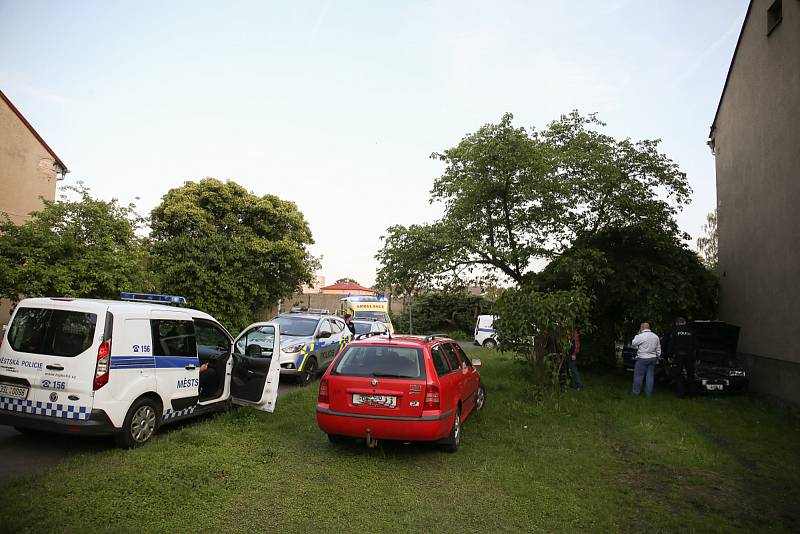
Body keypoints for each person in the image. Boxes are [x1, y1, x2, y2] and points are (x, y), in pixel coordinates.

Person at [665, 317, 697, 398]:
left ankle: (681, 394)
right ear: (685, 322)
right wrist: (698, 357)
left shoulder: (675, 331)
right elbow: (696, 345)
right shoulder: (691, 331)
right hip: (690, 355)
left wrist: (669, 355)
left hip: (679, 355)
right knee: (690, 374)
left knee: (679, 374)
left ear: (676, 323)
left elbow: (671, 344)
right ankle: (692, 394)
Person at [631, 322, 661, 397]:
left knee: (638, 376)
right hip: (652, 359)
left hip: (642, 358)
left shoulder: (640, 336)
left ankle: (636, 393)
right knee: (650, 376)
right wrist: (657, 357)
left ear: (642, 327)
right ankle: (649, 394)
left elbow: (633, 343)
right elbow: (658, 349)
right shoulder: (655, 336)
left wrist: (638, 334)